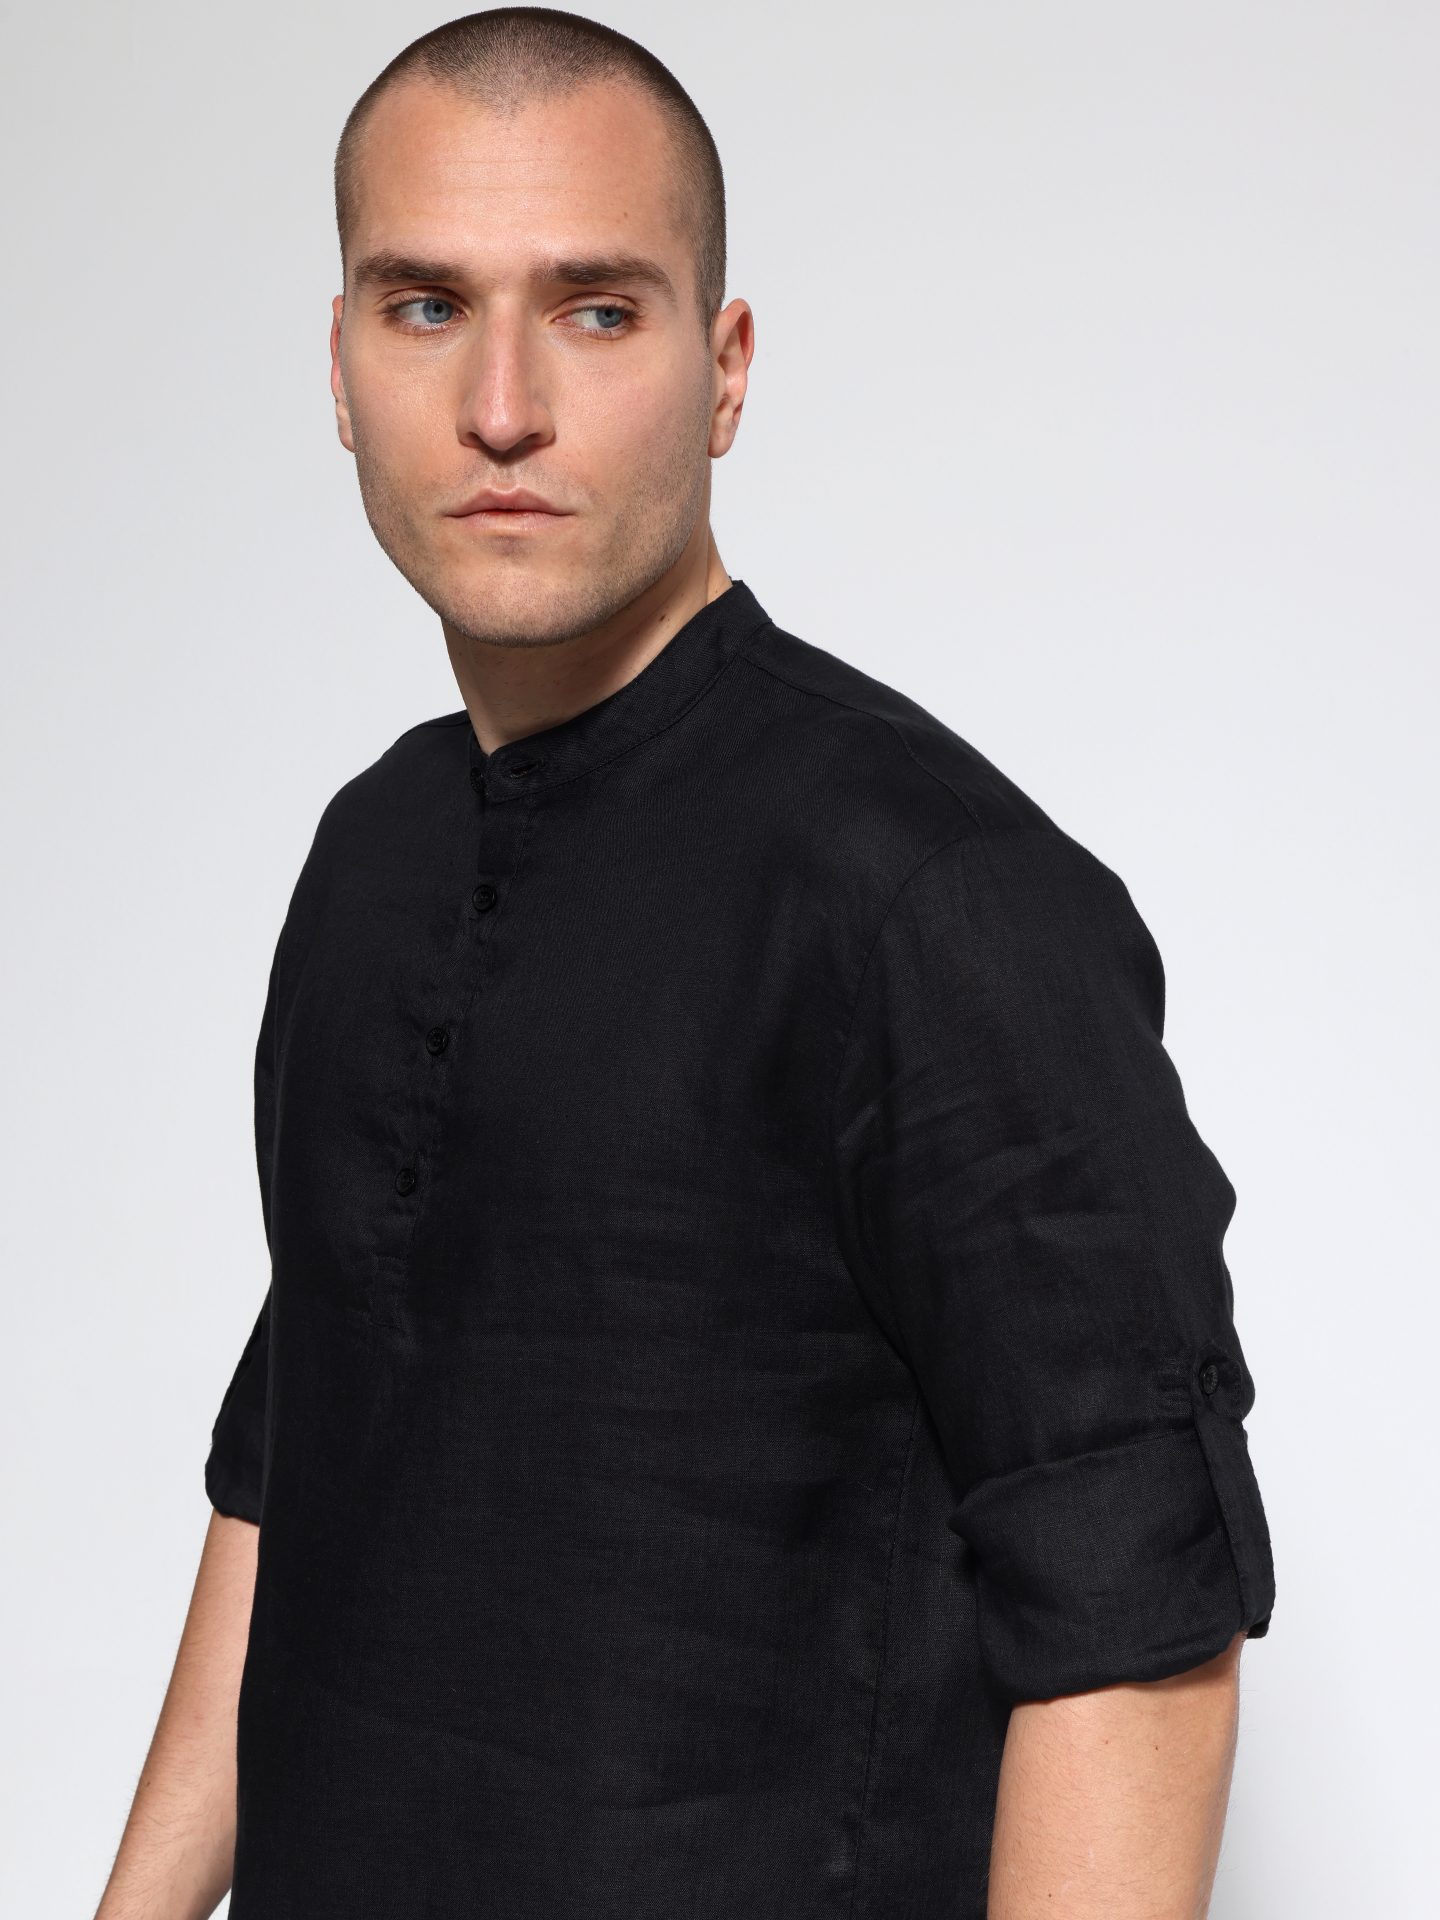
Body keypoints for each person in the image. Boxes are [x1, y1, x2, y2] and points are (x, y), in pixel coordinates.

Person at [95, 10, 1276, 1918]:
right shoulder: (372, 854)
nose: (500, 406)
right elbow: (296, 1457)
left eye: (595, 310)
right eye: (424, 307)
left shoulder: (935, 896)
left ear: (724, 372)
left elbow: (1135, 1635)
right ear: (338, 367)